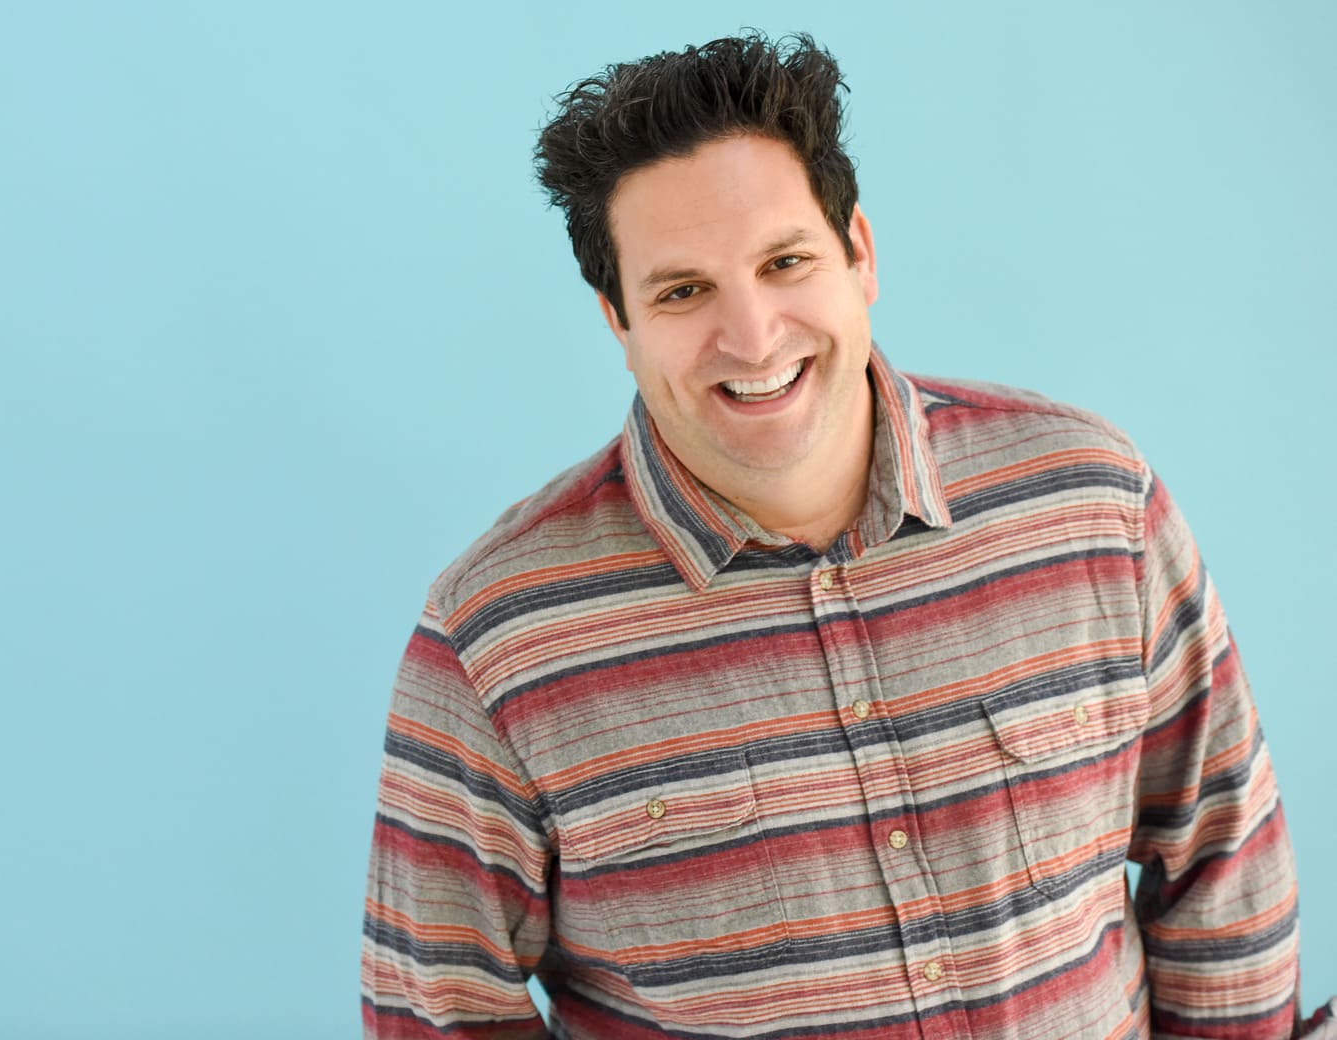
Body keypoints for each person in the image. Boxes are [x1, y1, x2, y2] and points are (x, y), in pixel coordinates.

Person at [360, 31, 1333, 1040]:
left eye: (784, 262)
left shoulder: (1092, 505)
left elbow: (1222, 862)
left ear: (859, 252)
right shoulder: (493, 639)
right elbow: (438, 1013)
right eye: (682, 290)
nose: (752, 335)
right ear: (618, 318)